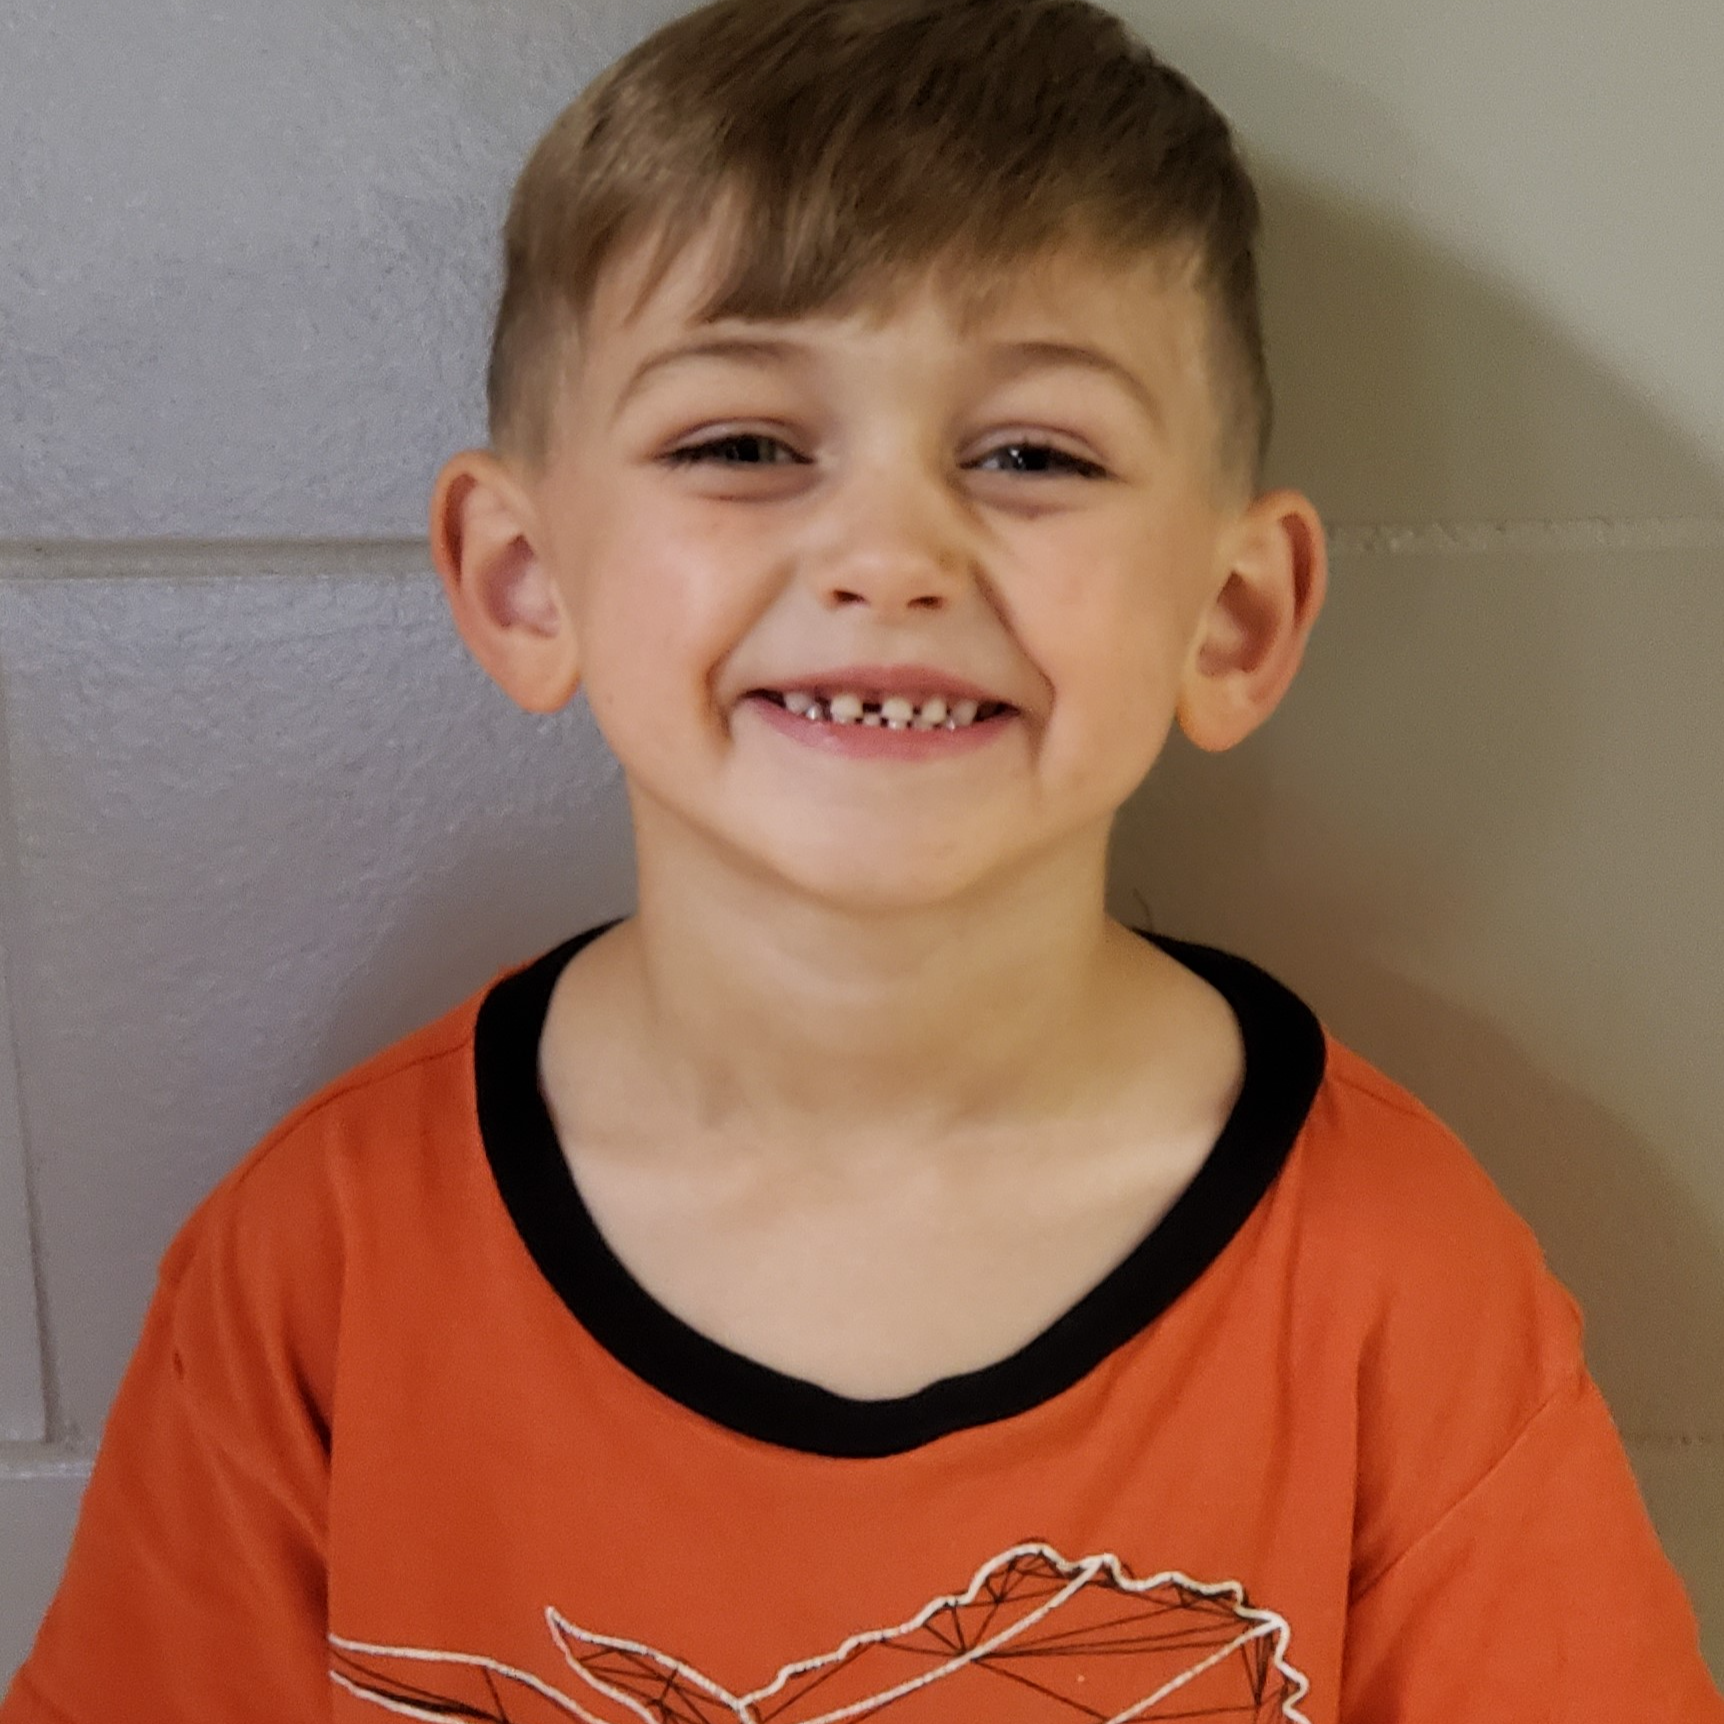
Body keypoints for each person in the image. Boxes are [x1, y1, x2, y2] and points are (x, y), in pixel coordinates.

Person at [5, 0, 1720, 1717]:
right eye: (743, 444)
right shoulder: (320, 1268)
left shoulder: (1395, 1283)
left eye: (1033, 453)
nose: (890, 554)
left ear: (1233, 616)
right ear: (525, 581)